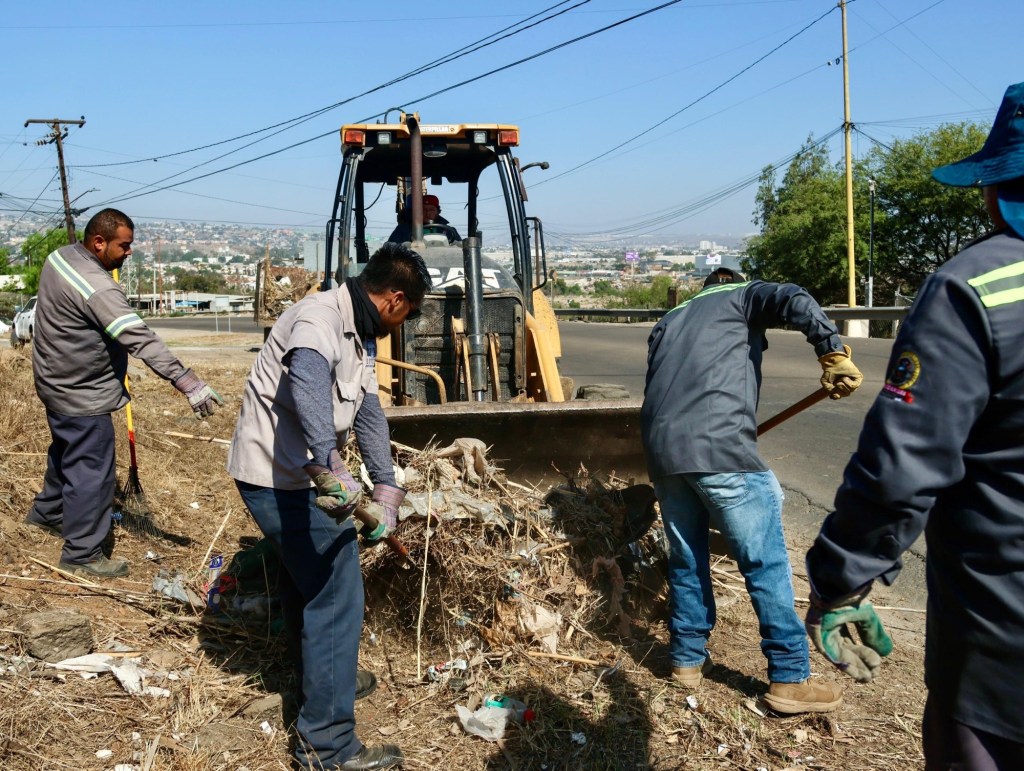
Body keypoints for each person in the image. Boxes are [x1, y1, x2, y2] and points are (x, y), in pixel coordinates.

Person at [805, 82, 1024, 770]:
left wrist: (841, 579)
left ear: (995, 188)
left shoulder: (976, 287)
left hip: (1002, 653)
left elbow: (901, 469)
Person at [227, 242, 430, 771]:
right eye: (408, 313)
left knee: (310, 583)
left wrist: (386, 488)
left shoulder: (357, 334)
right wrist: (329, 464)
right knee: (338, 592)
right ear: (395, 299)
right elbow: (309, 388)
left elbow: (367, 411)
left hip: (302, 476)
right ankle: (328, 746)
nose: (403, 322)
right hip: (280, 479)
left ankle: (325, 680)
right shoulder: (319, 319)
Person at [641, 267, 863, 714]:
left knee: (687, 558)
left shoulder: (670, 319)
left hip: (663, 453)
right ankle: (789, 678)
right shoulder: (742, 295)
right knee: (765, 562)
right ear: (732, 282)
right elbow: (794, 295)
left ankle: (685, 660)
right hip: (720, 449)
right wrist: (831, 350)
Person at [23, 208, 222, 579]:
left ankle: (47, 514)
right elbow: (139, 337)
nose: (128, 252)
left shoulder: (60, 257)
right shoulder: (97, 286)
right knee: (92, 472)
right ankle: (82, 552)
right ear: (99, 242)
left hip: (54, 382)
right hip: (82, 393)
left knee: (66, 450)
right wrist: (187, 382)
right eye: (124, 245)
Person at [387, 193, 461, 243]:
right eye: (423, 209)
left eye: (431, 210)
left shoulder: (450, 231)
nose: (428, 213)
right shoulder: (402, 230)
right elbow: (391, 249)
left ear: (438, 212)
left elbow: (459, 249)